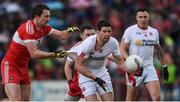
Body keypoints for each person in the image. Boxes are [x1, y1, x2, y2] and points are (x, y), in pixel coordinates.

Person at [0, 4, 79, 101]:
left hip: (23, 66)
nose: (49, 19)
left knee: (25, 100)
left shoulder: (44, 27)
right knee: (16, 99)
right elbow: (34, 54)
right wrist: (55, 54)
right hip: (11, 65)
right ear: (37, 17)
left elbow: (61, 36)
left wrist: (69, 31)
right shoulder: (28, 29)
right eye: (46, 16)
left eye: (49, 16)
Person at [120, 8, 169, 101]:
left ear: (148, 17)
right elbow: (122, 48)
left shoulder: (154, 32)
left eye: (145, 17)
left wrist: (164, 66)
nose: (143, 19)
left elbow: (159, 50)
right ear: (136, 18)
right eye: (140, 17)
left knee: (157, 97)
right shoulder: (130, 31)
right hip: (135, 69)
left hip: (149, 67)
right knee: (131, 99)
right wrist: (130, 60)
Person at [74, 20, 124, 101]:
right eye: (104, 31)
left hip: (102, 74)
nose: (107, 34)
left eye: (109, 31)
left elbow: (120, 61)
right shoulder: (88, 43)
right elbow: (77, 66)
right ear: (98, 32)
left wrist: (131, 71)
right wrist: (95, 78)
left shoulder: (113, 43)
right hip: (86, 77)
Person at [64, 24, 95, 101]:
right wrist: (70, 82)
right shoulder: (77, 47)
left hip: (95, 81)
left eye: (92, 35)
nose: (91, 37)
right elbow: (67, 65)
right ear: (81, 35)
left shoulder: (100, 46)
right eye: (88, 35)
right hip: (78, 83)